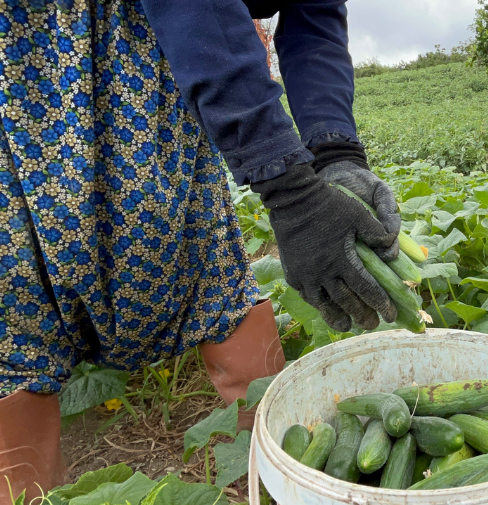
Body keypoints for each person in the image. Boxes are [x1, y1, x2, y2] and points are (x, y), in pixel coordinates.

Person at [0, 0, 402, 501]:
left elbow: (314, 15)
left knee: (206, 263)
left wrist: (336, 151)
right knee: (18, 299)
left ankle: (281, 479)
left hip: (165, 59)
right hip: (42, 58)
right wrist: (290, 189)